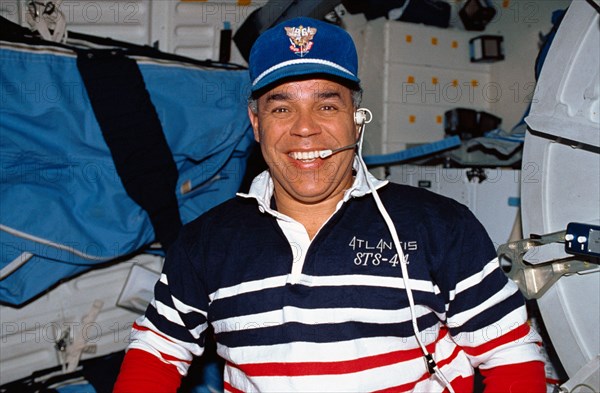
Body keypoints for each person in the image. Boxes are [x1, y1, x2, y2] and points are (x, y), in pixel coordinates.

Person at [114, 16, 545, 393]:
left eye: (326, 105)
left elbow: (511, 352)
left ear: (356, 119)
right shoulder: (205, 242)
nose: (305, 129)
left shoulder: (438, 225)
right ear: (256, 123)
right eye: (282, 108)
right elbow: (158, 348)